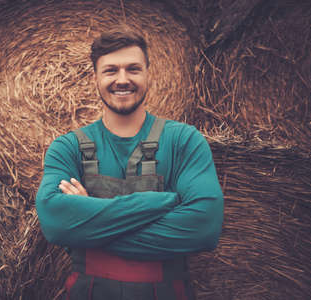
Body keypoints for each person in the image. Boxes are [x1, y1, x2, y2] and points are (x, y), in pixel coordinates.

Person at [36, 24, 224, 300]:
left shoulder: (184, 140)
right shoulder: (68, 147)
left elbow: (204, 228)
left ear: (148, 74)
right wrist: (161, 202)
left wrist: (89, 224)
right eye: (111, 70)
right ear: (95, 78)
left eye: (133, 69)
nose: (122, 79)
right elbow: (56, 223)